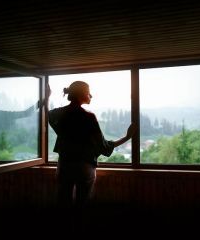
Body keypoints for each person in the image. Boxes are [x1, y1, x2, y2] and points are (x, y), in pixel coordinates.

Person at [45, 81, 135, 229]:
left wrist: (47, 98)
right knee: (82, 206)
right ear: (81, 95)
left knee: (63, 204)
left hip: (65, 165)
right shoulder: (88, 117)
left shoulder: (59, 114)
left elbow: (46, 114)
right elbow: (104, 147)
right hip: (84, 167)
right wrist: (127, 137)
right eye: (88, 92)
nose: (91, 95)